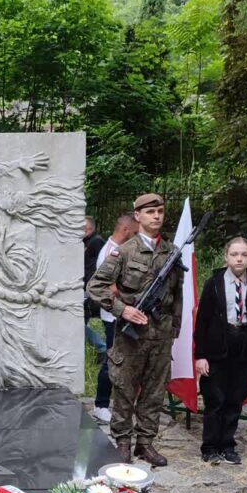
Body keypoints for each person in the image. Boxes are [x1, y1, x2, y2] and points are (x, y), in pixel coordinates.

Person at [86, 194, 183, 466]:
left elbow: (178, 295)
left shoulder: (172, 252)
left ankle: (145, 444)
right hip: (131, 336)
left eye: (160, 211)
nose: (156, 216)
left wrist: (174, 330)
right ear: (137, 216)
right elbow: (95, 286)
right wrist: (122, 310)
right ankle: (123, 443)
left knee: (154, 391)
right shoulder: (124, 251)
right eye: (150, 211)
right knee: (125, 390)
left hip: (160, 335)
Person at [194, 236, 247, 465]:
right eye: (234, 254)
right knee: (215, 397)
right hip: (218, 346)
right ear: (226, 256)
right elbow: (203, 321)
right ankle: (210, 446)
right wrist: (201, 355)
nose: (239, 258)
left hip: (244, 346)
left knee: (235, 397)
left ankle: (227, 444)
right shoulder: (214, 283)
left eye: (244, 254)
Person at [90, 212, 139, 424]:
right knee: (112, 361)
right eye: (135, 232)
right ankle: (101, 405)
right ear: (125, 230)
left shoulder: (119, 249)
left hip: (122, 314)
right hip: (114, 315)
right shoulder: (110, 252)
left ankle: (119, 402)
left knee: (123, 361)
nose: (137, 236)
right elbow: (110, 288)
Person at [82, 216, 107, 352]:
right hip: (86, 285)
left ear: (88, 228)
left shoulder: (96, 242)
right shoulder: (89, 242)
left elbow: (101, 265)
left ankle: (101, 347)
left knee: (79, 323)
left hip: (89, 287)